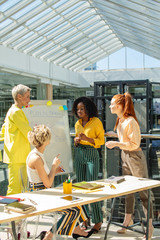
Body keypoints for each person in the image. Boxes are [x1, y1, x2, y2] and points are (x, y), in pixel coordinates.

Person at [27, 125, 94, 240]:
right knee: (74, 210)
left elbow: (44, 178)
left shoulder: (37, 154)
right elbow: (47, 183)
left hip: (43, 192)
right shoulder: (36, 158)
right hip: (40, 195)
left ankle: (76, 230)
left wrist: (54, 170)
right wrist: (54, 166)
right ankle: (50, 235)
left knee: (77, 202)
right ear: (46, 140)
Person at [105, 92, 154, 240]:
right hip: (125, 155)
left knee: (144, 192)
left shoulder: (131, 121)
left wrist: (116, 143)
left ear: (120, 106)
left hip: (135, 157)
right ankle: (128, 219)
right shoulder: (120, 120)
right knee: (128, 191)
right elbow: (125, 138)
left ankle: (150, 225)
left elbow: (135, 144)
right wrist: (114, 135)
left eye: (112, 104)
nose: (110, 106)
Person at [72, 97, 105, 233]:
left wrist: (87, 139)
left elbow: (101, 141)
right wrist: (76, 140)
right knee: (80, 187)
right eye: (77, 109)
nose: (79, 111)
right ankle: (85, 219)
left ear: (88, 109)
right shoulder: (77, 123)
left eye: (82, 109)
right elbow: (77, 139)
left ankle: (98, 221)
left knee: (91, 187)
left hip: (92, 153)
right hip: (79, 153)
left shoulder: (96, 122)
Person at [1, 84, 32, 195]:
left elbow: (3, 131)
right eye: (27, 96)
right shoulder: (17, 112)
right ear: (19, 96)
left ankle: (15, 209)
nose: (29, 100)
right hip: (18, 156)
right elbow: (28, 133)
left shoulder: (12, 110)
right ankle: (10, 210)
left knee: (18, 187)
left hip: (16, 155)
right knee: (15, 188)